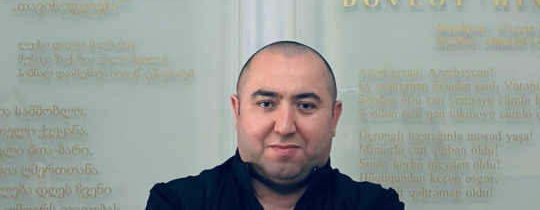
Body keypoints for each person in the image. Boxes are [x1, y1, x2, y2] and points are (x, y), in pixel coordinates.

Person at [145, 41, 404, 210]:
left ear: (334, 118)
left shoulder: (376, 205)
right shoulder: (179, 202)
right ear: (237, 112)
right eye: (267, 104)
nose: (284, 127)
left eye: (306, 106)